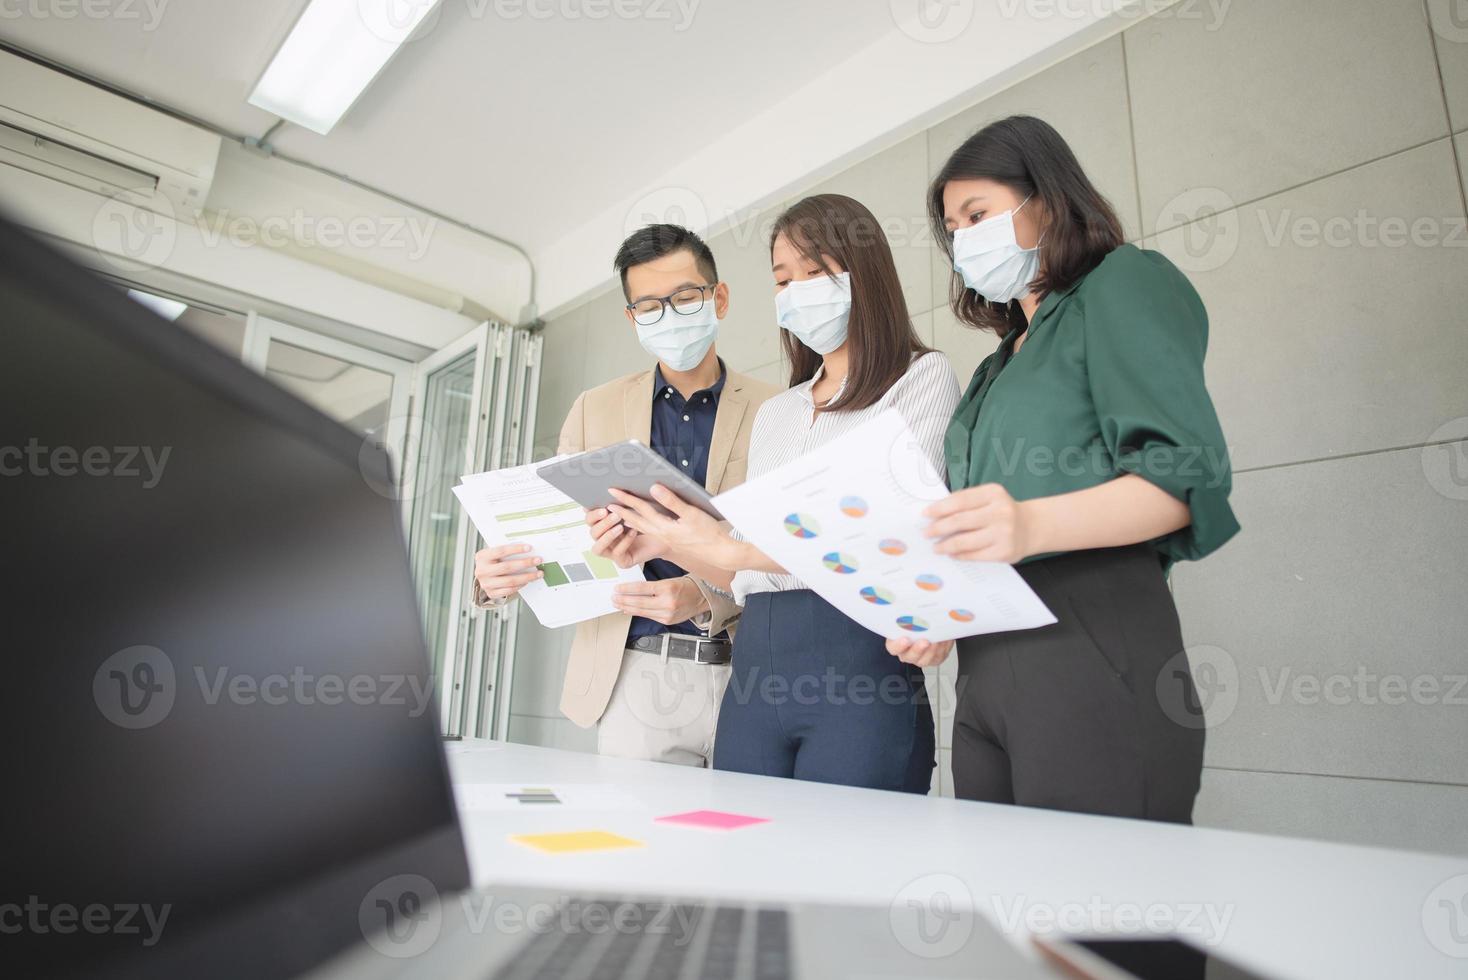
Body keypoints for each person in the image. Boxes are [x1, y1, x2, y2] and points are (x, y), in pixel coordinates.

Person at [888, 114, 1239, 822]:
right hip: (985, 675)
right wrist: (941, 611)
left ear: (1046, 198)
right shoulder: (997, 367)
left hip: (1090, 648)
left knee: (1106, 920)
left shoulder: (1120, 285)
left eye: (977, 214)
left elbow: (1181, 477)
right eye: (952, 228)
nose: (962, 239)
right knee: (1014, 918)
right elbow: (983, 529)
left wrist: (1029, 523)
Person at [590, 194, 961, 792]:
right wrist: (660, 540)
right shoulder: (779, 413)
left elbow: (886, 530)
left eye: (816, 271)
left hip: (857, 655)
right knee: (747, 861)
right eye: (784, 279)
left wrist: (731, 551)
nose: (797, 290)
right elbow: (740, 566)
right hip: (757, 665)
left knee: (847, 866)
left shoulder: (921, 377)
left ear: (864, 272)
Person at [470, 224, 781, 767]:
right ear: (632, 316)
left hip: (753, 676)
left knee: (744, 844)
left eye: (684, 297)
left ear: (719, 298)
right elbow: (557, 538)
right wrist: (494, 580)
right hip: (632, 675)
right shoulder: (595, 409)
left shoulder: (779, 411)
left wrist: (704, 597)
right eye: (649, 305)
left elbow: (791, 554)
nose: (670, 315)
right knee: (647, 844)